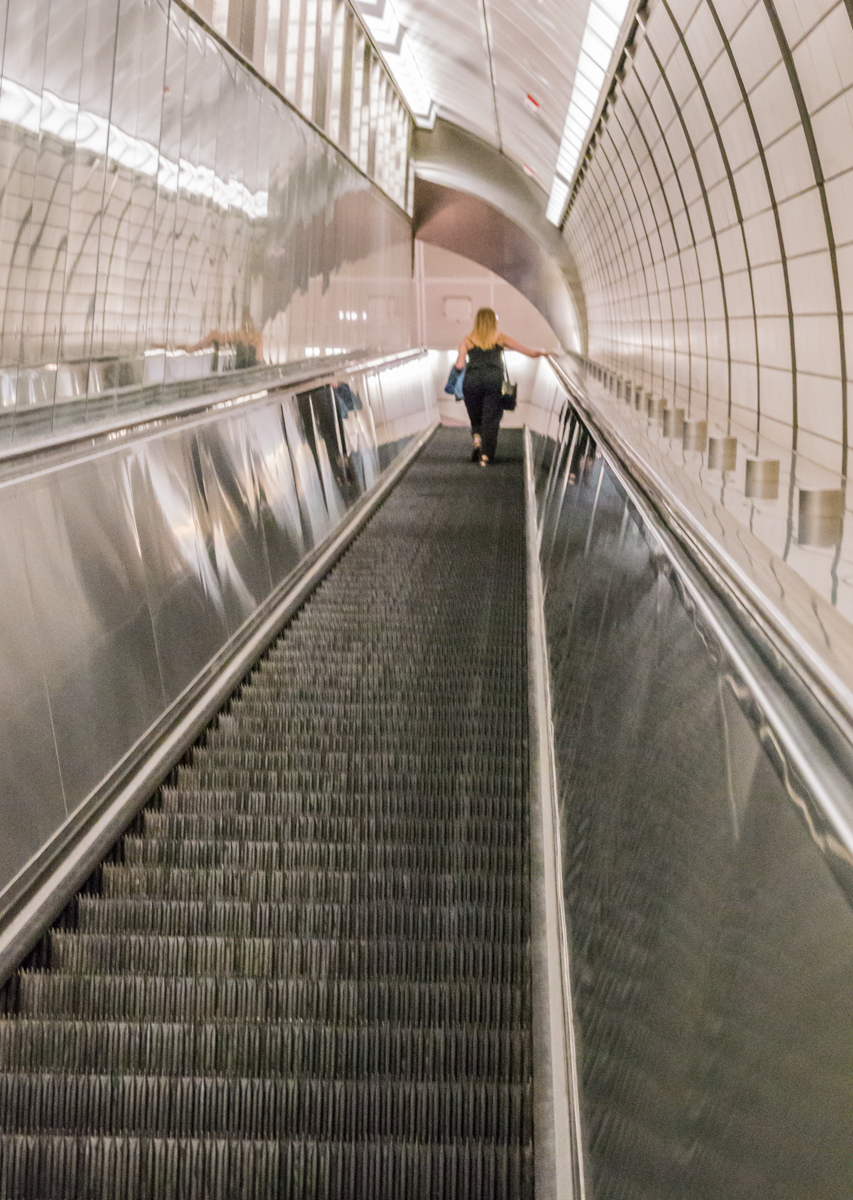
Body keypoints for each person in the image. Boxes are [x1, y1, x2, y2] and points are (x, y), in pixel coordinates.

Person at [455, 308, 547, 465]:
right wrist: (545, 353)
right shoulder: (499, 337)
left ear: (477, 321)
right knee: (490, 418)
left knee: (475, 415)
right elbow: (529, 352)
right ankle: (485, 455)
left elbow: (459, 364)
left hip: (472, 382)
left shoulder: (467, 340)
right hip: (493, 381)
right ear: (493, 321)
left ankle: (477, 439)